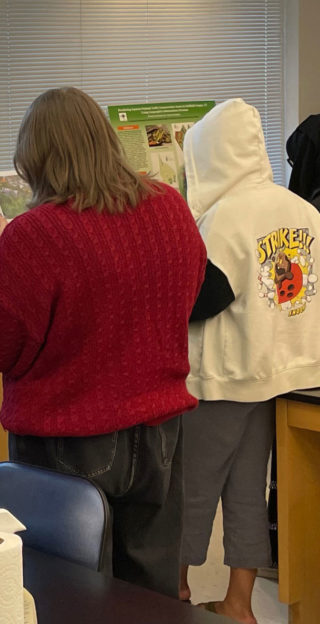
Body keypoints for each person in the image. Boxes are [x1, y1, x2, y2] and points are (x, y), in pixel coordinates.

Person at [0, 87, 206, 597]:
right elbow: (189, 286)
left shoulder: (34, 234)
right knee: (151, 590)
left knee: (67, 591)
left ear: (36, 158)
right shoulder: (169, 207)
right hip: (161, 429)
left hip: (68, 437)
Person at [178, 98, 320, 623]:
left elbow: (204, 299)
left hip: (221, 379)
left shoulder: (224, 216)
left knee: (192, 493)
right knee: (248, 494)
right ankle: (240, 603)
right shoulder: (302, 209)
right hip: (282, 377)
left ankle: (178, 592)